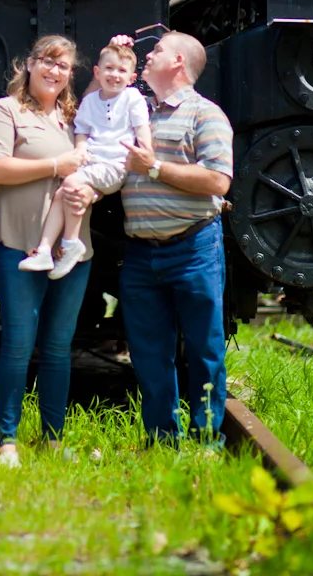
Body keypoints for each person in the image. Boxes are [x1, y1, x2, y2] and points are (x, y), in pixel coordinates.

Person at [0, 35, 93, 467]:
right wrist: (54, 166)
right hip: (19, 246)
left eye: (63, 66)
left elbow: (96, 169)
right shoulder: (4, 111)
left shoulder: (75, 120)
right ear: (29, 65)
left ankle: (53, 438)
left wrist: (90, 194)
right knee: (18, 345)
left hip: (72, 253)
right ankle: (7, 439)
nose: (55, 71)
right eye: (47, 61)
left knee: (59, 347)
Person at [113, 30, 233, 445]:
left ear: (179, 62)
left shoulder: (206, 115)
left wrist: (155, 168)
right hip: (142, 253)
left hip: (192, 248)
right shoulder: (137, 110)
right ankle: (162, 439)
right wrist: (116, 55)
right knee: (148, 354)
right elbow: (99, 101)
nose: (148, 55)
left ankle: (205, 440)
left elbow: (218, 180)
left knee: (204, 351)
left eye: (157, 50)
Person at [19, 42, 152, 280]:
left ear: (132, 78)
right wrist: (80, 149)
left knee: (69, 186)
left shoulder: (132, 97)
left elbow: (142, 129)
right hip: (92, 162)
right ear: (97, 73)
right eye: (109, 69)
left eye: (122, 71)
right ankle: (45, 249)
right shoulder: (91, 101)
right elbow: (82, 129)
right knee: (63, 193)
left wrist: (146, 152)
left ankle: (70, 243)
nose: (114, 75)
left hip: (115, 165)